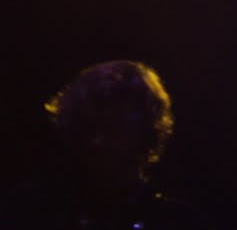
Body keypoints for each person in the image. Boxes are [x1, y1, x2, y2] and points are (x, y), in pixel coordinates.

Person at [3, 60, 214, 230]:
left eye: (117, 128)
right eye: (89, 127)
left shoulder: (179, 222)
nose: (100, 141)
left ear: (147, 134)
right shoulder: (28, 210)